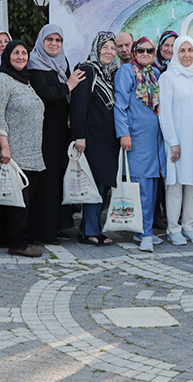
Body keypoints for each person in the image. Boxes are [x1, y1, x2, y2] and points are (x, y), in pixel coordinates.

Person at [0, 40, 46, 258]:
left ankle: (12, 238)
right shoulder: (2, 80)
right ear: (7, 56)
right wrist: (4, 147)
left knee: (26, 200)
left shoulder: (25, 81)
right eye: (15, 53)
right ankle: (18, 244)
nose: (21, 57)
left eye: (24, 53)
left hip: (32, 151)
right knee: (18, 201)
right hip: (14, 152)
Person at [28, 24, 84, 244]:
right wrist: (68, 86)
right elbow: (43, 94)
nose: (54, 43)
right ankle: (44, 231)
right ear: (41, 41)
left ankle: (58, 225)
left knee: (60, 177)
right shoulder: (34, 64)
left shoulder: (62, 62)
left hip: (62, 130)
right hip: (46, 132)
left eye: (58, 40)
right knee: (48, 180)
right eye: (49, 39)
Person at [115, 37, 167, 252]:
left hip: (155, 140)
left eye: (150, 51)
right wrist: (123, 134)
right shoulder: (126, 71)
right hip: (136, 138)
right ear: (134, 53)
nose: (145, 54)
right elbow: (120, 105)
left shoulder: (155, 73)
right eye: (141, 50)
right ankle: (144, 233)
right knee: (142, 186)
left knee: (152, 186)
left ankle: (144, 229)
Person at [158, 37, 193, 245]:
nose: (187, 55)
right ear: (175, 53)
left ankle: (189, 227)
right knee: (175, 185)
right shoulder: (168, 77)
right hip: (177, 140)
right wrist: (173, 141)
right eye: (182, 50)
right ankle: (173, 229)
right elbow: (165, 112)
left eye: (190, 50)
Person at [70, 32, 120, 246]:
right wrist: (79, 136)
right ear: (96, 49)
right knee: (95, 185)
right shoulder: (88, 70)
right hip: (92, 138)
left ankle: (88, 228)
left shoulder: (111, 73)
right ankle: (90, 230)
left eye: (112, 48)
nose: (109, 52)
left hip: (108, 139)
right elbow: (78, 106)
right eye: (105, 47)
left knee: (103, 184)